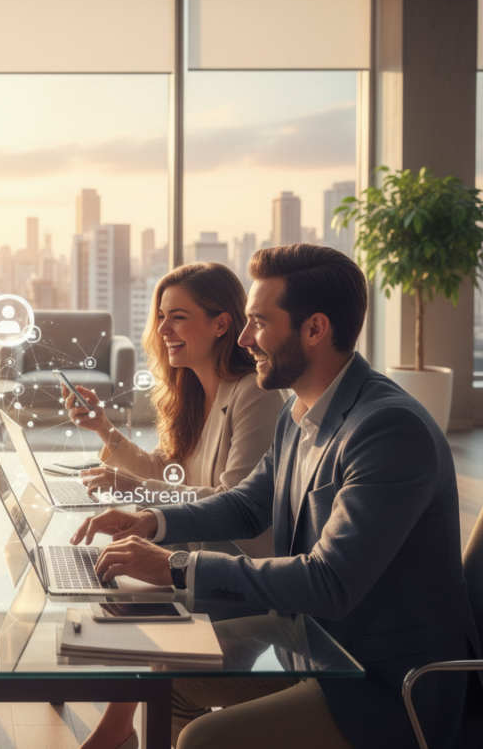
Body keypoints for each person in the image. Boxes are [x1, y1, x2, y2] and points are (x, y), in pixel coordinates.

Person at [71, 244, 481, 749]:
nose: (244, 339)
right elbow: (246, 503)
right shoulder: (299, 412)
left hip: (386, 681)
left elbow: (330, 581)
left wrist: (175, 566)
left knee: (206, 739)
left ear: (314, 329)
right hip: (312, 643)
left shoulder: (388, 429)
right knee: (161, 674)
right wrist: (152, 522)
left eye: (259, 324)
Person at [64, 262, 285, 749]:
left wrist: (135, 494)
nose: (162, 329)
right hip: (200, 549)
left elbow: (234, 501)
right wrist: (105, 431)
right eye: (161, 316)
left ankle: (115, 731)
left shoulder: (255, 396)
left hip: (238, 568)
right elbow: (166, 475)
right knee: (114, 576)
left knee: (127, 580)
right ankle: (118, 729)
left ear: (221, 323)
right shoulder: (193, 392)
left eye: (178, 317)